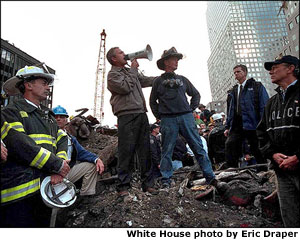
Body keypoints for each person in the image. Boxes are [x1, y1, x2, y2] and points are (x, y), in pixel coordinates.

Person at [150, 47, 227, 192]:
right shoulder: (158, 82)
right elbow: (152, 102)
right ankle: (166, 180)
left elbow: (196, 94)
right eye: (174, 59)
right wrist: (160, 116)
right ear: (166, 62)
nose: (176, 62)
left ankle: (210, 177)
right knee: (167, 150)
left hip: (185, 117)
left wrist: (190, 109)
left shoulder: (182, 80)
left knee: (198, 147)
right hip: (168, 119)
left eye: (177, 59)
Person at [0, 65, 70, 227]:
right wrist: (57, 165)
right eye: (44, 83)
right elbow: (19, 145)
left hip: (44, 191)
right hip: (19, 195)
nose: (48, 87)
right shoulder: (11, 112)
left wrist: (59, 168)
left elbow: (62, 139)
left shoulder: (48, 117)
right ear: (28, 85)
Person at [106, 46, 158, 197]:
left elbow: (144, 81)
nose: (125, 54)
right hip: (126, 116)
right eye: (121, 53)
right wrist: (134, 70)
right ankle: (123, 185)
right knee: (126, 151)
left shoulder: (129, 72)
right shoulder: (112, 75)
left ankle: (148, 184)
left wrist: (161, 79)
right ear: (114, 59)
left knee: (145, 150)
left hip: (141, 113)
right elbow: (125, 87)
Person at [257, 55, 299, 227]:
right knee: (290, 218)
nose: (270, 71)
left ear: (290, 68)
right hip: (282, 171)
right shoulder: (272, 103)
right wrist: (272, 154)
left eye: (275, 67)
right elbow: (261, 133)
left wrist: (297, 157)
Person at [53, 105, 105, 203]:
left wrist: (96, 159)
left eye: (62, 117)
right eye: (56, 117)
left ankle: (85, 198)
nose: (58, 119)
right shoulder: (47, 135)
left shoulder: (69, 138)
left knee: (91, 166)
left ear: (66, 120)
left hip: (66, 173)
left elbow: (81, 152)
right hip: (51, 175)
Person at [224, 64, 269, 170]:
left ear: (245, 72)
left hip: (253, 122)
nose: (236, 74)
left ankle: (263, 170)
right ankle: (232, 169)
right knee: (231, 144)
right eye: (234, 72)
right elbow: (230, 110)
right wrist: (227, 126)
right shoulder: (233, 91)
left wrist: (264, 123)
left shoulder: (256, 86)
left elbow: (264, 105)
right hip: (237, 123)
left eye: (238, 71)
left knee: (256, 147)